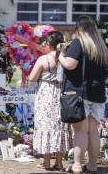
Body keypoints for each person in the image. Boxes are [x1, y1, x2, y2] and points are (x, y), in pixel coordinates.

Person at [59, 15, 108, 174]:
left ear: (79, 29)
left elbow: (70, 64)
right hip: (98, 93)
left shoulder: (78, 43)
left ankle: (77, 166)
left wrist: (60, 55)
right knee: (93, 131)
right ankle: (93, 166)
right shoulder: (102, 47)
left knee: (80, 131)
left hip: (80, 93)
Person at [28, 31, 71, 171]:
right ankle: (59, 163)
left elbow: (32, 78)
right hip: (60, 93)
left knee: (45, 126)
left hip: (46, 94)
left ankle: (46, 162)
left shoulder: (43, 59)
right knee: (59, 127)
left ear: (49, 44)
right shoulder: (65, 58)